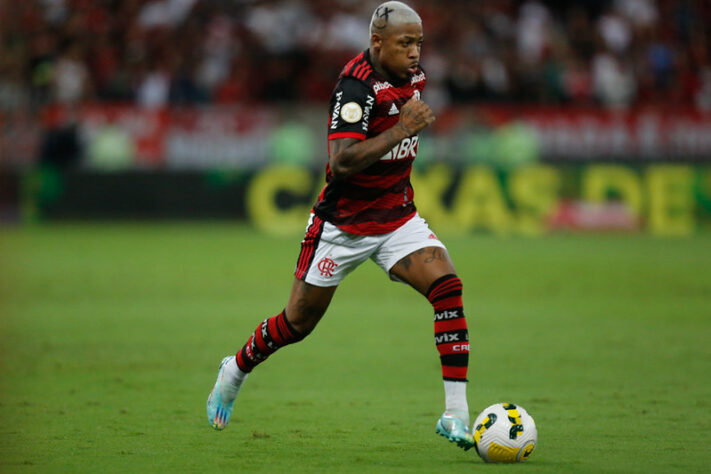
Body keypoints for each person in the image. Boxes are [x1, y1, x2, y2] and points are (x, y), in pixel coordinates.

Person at [207, 1, 475, 450]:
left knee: (447, 286)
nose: (414, 53)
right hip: (343, 226)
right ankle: (234, 369)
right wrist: (400, 130)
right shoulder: (355, 88)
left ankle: (456, 415)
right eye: (405, 43)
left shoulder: (415, 77)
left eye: (419, 43)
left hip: (397, 217)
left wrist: (403, 130)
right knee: (297, 323)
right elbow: (341, 161)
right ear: (377, 42)